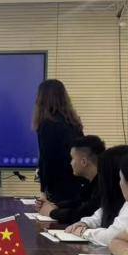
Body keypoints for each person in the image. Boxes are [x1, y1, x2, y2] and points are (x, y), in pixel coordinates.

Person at [65, 145, 128, 246]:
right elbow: (100, 214)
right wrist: (85, 223)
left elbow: (112, 236)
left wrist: (84, 232)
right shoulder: (115, 197)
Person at [32, 79, 84, 207]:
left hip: (58, 187)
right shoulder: (73, 122)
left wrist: (43, 191)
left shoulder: (46, 124)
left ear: (42, 99)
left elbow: (46, 159)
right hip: (78, 183)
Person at [42, 135, 105, 226]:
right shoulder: (92, 182)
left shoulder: (104, 185)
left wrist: (52, 212)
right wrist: (55, 205)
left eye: (72, 158)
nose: (70, 163)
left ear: (84, 162)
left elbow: (82, 214)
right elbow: (78, 202)